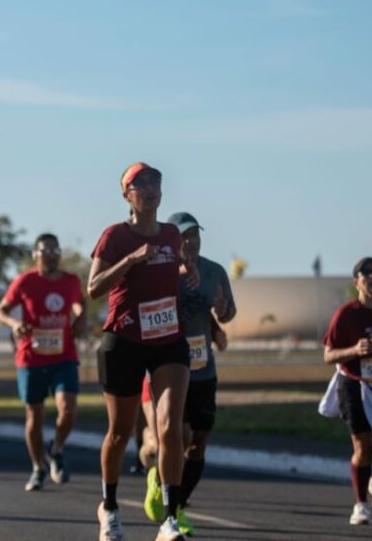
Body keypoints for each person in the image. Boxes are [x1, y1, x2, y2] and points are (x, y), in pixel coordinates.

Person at [87, 162, 189, 541]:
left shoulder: (172, 235)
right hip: (125, 340)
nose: (149, 188)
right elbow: (93, 287)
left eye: (155, 183)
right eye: (140, 183)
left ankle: (170, 518)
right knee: (120, 432)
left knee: (170, 428)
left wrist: (187, 273)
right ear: (126, 194)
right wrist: (130, 260)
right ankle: (109, 507)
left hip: (168, 339)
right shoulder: (115, 236)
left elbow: (170, 272)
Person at [140, 212, 235, 535]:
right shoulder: (162, 272)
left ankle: (177, 504)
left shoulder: (214, 271)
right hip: (168, 365)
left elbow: (227, 310)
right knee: (179, 438)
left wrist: (222, 311)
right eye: (184, 235)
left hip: (203, 370)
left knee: (199, 444)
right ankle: (170, 502)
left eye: (195, 234)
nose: (190, 241)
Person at [0, 233, 85, 490]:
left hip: (63, 356)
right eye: (44, 251)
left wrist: (81, 318)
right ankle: (37, 468)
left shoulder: (70, 280)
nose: (50, 255)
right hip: (31, 357)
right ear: (35, 255)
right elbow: (0, 311)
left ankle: (55, 449)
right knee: (34, 417)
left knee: (68, 410)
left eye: (54, 251)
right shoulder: (24, 282)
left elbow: (80, 304)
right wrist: (15, 323)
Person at [323, 256, 372, 525]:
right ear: (357, 282)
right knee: (362, 448)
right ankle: (360, 504)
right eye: (366, 273)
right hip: (354, 383)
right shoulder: (346, 315)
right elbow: (328, 356)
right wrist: (354, 350)